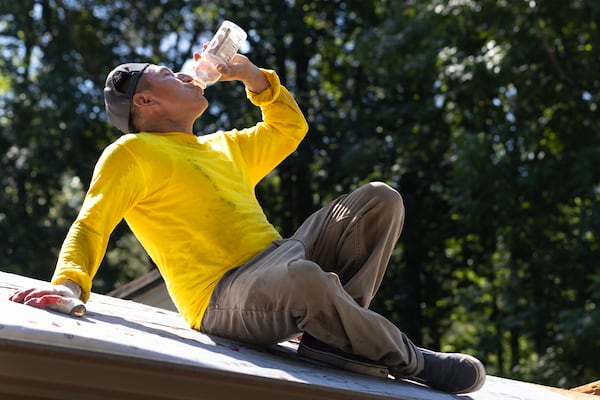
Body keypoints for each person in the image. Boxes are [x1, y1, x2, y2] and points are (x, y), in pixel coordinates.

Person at [8, 49, 486, 394]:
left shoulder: (221, 147)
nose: (185, 74)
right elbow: (92, 223)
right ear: (145, 104)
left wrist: (255, 79)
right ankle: (410, 360)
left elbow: (288, 128)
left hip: (281, 262)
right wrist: (70, 284)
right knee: (303, 277)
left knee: (378, 199)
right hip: (221, 295)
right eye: (168, 74)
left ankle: (333, 342)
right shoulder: (132, 152)